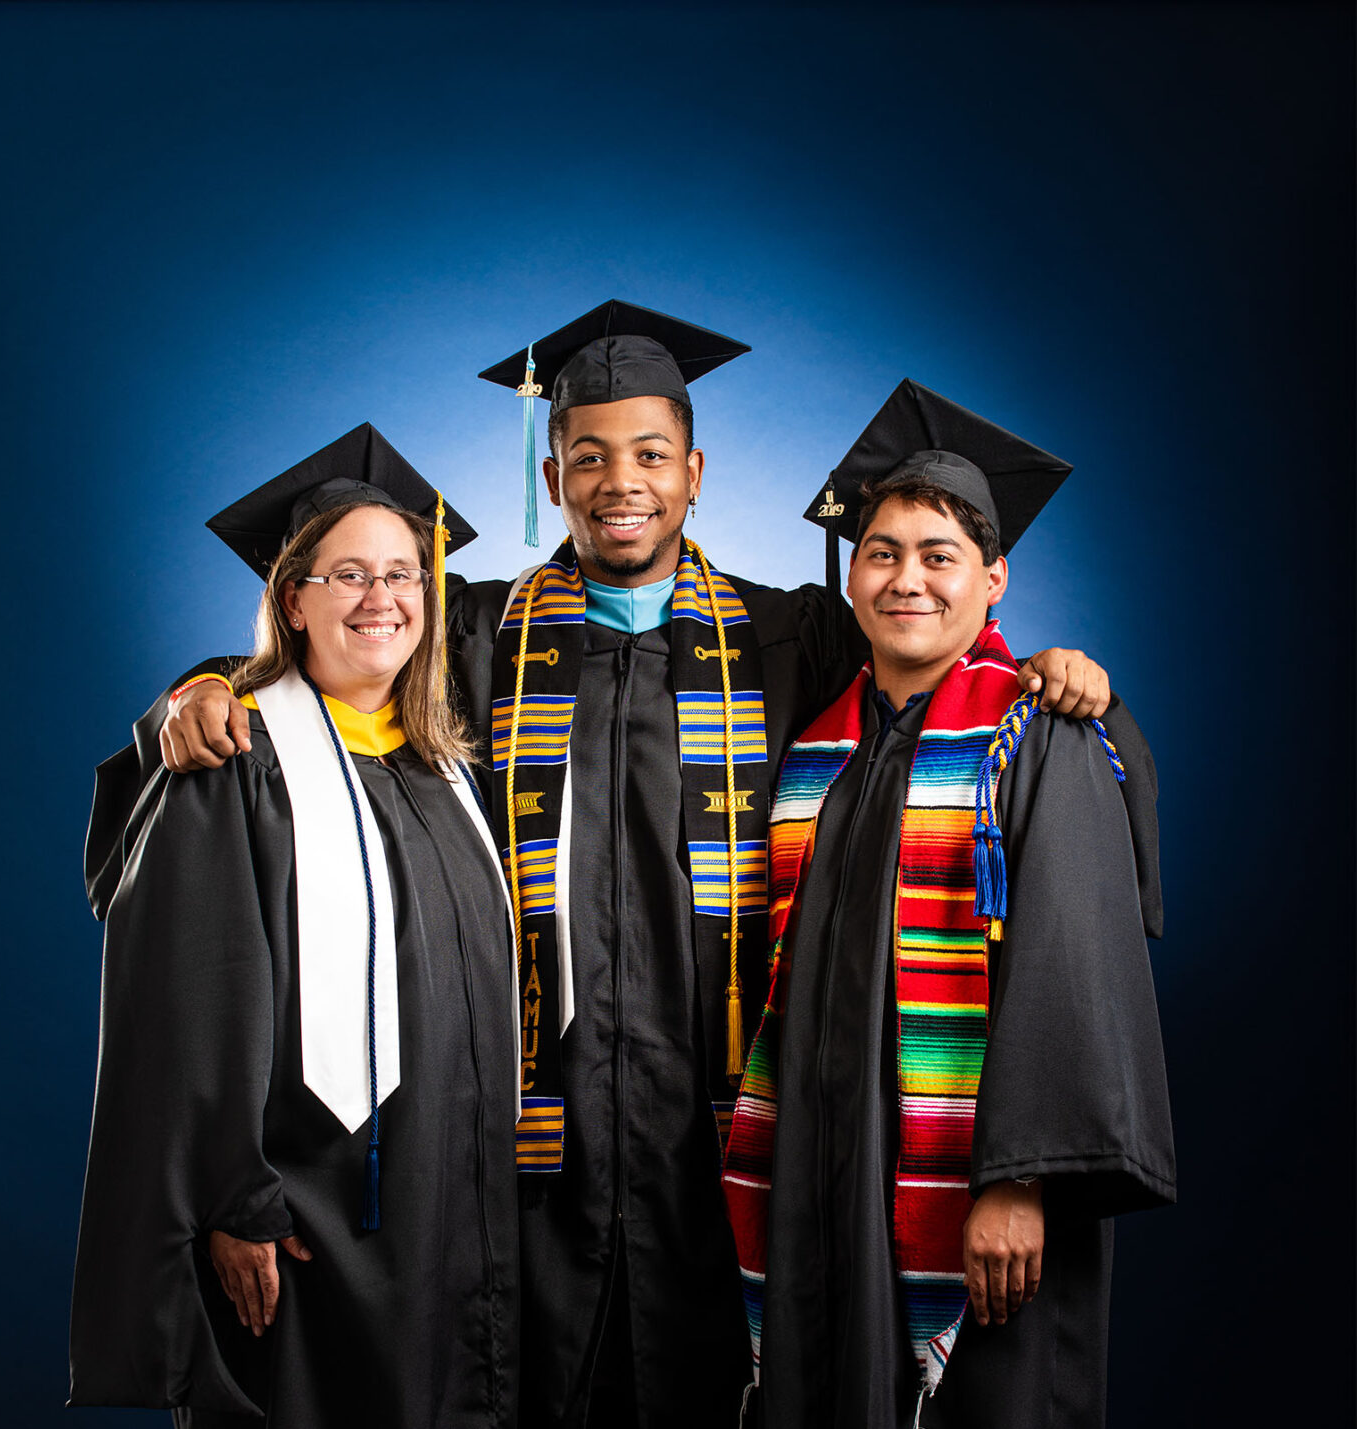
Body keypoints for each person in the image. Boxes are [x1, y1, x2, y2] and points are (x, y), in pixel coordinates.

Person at [131, 304, 1114, 1429]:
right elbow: (329, 664)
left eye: (650, 454)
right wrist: (201, 688)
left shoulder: (791, 633)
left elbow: (938, 674)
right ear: (553, 478)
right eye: (588, 457)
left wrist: (1056, 674)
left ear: (695, 472)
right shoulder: (479, 634)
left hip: (731, 1141)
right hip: (533, 1152)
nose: (621, 481)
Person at [722, 379, 1175, 1429]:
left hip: (976, 1182)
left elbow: (1074, 962)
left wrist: (1020, 1181)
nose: (906, 579)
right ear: (852, 578)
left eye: (939, 556)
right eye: (882, 553)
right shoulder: (822, 750)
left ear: (994, 578)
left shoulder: (1035, 733)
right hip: (827, 1169)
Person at [70, 425, 520, 1428]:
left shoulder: (445, 772)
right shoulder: (236, 760)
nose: (383, 598)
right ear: (292, 599)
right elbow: (191, 996)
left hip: (450, 1207)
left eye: (404, 574)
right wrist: (233, 1199)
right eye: (349, 573)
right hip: (307, 1219)